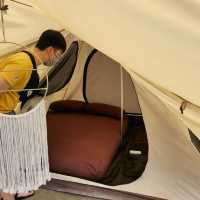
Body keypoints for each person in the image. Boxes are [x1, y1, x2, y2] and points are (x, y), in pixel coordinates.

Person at [0, 29, 66, 200]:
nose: (57, 59)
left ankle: (13, 190)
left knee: (11, 155)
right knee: (8, 159)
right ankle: (8, 194)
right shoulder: (23, 62)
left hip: (6, 112)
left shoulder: (29, 62)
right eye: (59, 54)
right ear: (51, 50)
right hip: (1, 115)